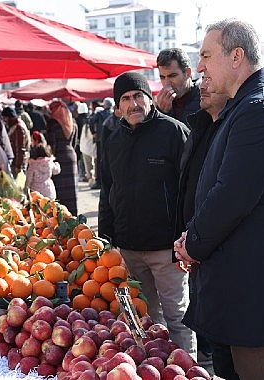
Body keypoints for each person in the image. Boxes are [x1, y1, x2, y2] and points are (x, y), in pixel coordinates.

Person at [174, 19, 264, 380]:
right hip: (239, 276)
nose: (201, 66)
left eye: (207, 55)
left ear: (236, 56)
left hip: (254, 281)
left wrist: (192, 243)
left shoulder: (261, 109)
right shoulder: (249, 104)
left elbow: (232, 196)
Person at [98, 71, 195, 356]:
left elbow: (192, 189)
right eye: (125, 99)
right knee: (145, 319)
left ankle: (186, 371)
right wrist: (107, 236)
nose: (133, 104)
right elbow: (108, 190)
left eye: (138, 96)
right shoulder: (113, 140)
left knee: (178, 318)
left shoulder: (174, 132)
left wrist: (187, 237)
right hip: (129, 248)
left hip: (168, 248)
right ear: (117, 106)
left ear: (150, 98)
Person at [175, 79, 229, 367]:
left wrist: (193, 240)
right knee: (207, 316)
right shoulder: (199, 126)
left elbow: (226, 196)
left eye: (209, 81)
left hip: (212, 241)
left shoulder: (232, 127)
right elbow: (185, 186)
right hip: (196, 238)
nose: (202, 86)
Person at [46, 100, 78, 216]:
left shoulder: (53, 123)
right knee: (72, 192)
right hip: (71, 156)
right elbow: (74, 142)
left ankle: (62, 219)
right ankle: (73, 218)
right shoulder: (71, 121)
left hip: (59, 158)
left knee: (61, 193)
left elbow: (51, 145)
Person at [155, 48, 202, 126]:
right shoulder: (162, 105)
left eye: (172, 76)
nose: (167, 83)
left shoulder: (204, 100)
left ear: (187, 73)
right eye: (162, 77)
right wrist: (161, 113)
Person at [88, 97, 114, 189]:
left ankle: (100, 182)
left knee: (100, 161)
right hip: (114, 141)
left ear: (104, 105)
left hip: (101, 139)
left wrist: (93, 133)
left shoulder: (99, 114)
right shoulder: (115, 114)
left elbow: (91, 121)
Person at [1, 107, 30, 177]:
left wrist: (18, 165)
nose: (4, 120)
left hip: (17, 163)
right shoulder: (16, 126)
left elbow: (20, 147)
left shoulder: (18, 128)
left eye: (5, 118)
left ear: (9, 117)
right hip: (17, 161)